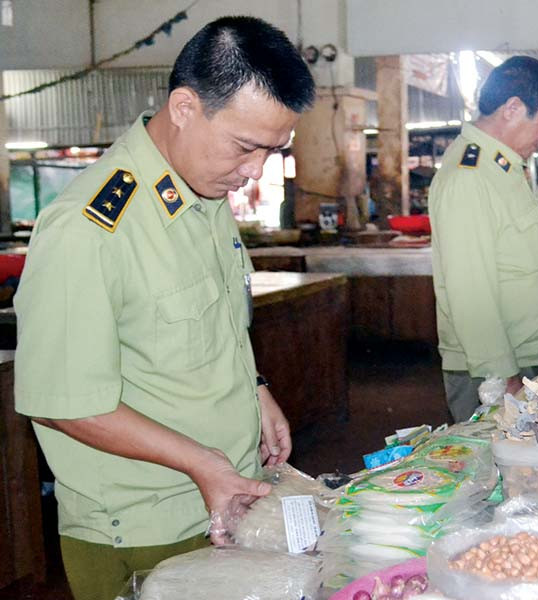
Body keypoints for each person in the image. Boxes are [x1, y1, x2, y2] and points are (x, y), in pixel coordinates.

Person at [14, 16, 315, 600]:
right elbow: (61, 404)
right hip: (147, 526)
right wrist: (203, 462)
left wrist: (254, 389)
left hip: (224, 500)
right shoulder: (91, 227)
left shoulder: (203, 194)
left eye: (273, 151)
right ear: (183, 108)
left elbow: (210, 323)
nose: (255, 171)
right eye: (246, 147)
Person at [429, 55, 538, 423]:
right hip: (499, 370)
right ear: (513, 108)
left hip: (525, 359)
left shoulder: (499, 165)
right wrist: (503, 379)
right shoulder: (469, 177)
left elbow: (520, 227)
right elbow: (470, 289)